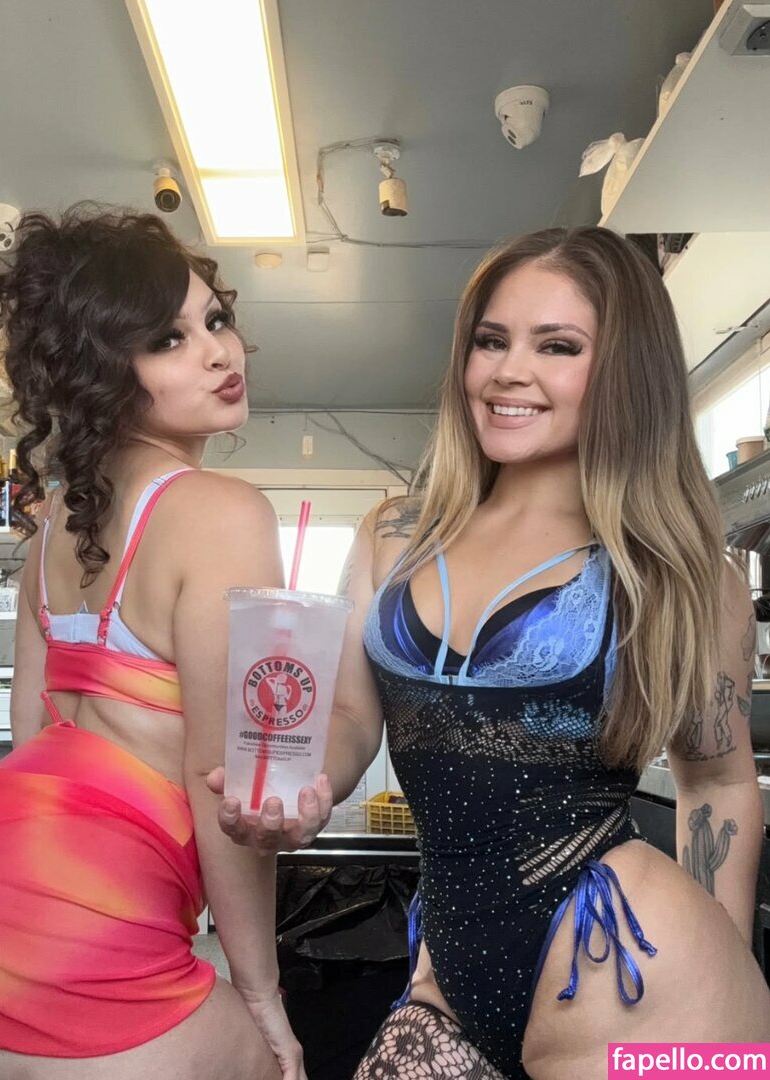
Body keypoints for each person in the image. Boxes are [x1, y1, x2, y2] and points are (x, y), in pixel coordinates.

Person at [211, 226, 770, 1079]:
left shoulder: (677, 571)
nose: (509, 371)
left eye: (557, 346)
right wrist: (304, 792)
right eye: (490, 340)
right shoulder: (396, 534)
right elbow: (353, 714)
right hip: (451, 972)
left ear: (624, 371)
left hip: (639, 980)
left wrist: (724, 958)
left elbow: (717, 781)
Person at [0, 207, 305, 1080]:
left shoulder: (54, 527)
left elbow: (33, 738)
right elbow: (225, 784)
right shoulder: (219, 512)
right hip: (75, 950)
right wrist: (261, 993)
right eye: (168, 340)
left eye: (215, 320)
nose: (218, 353)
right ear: (104, 372)